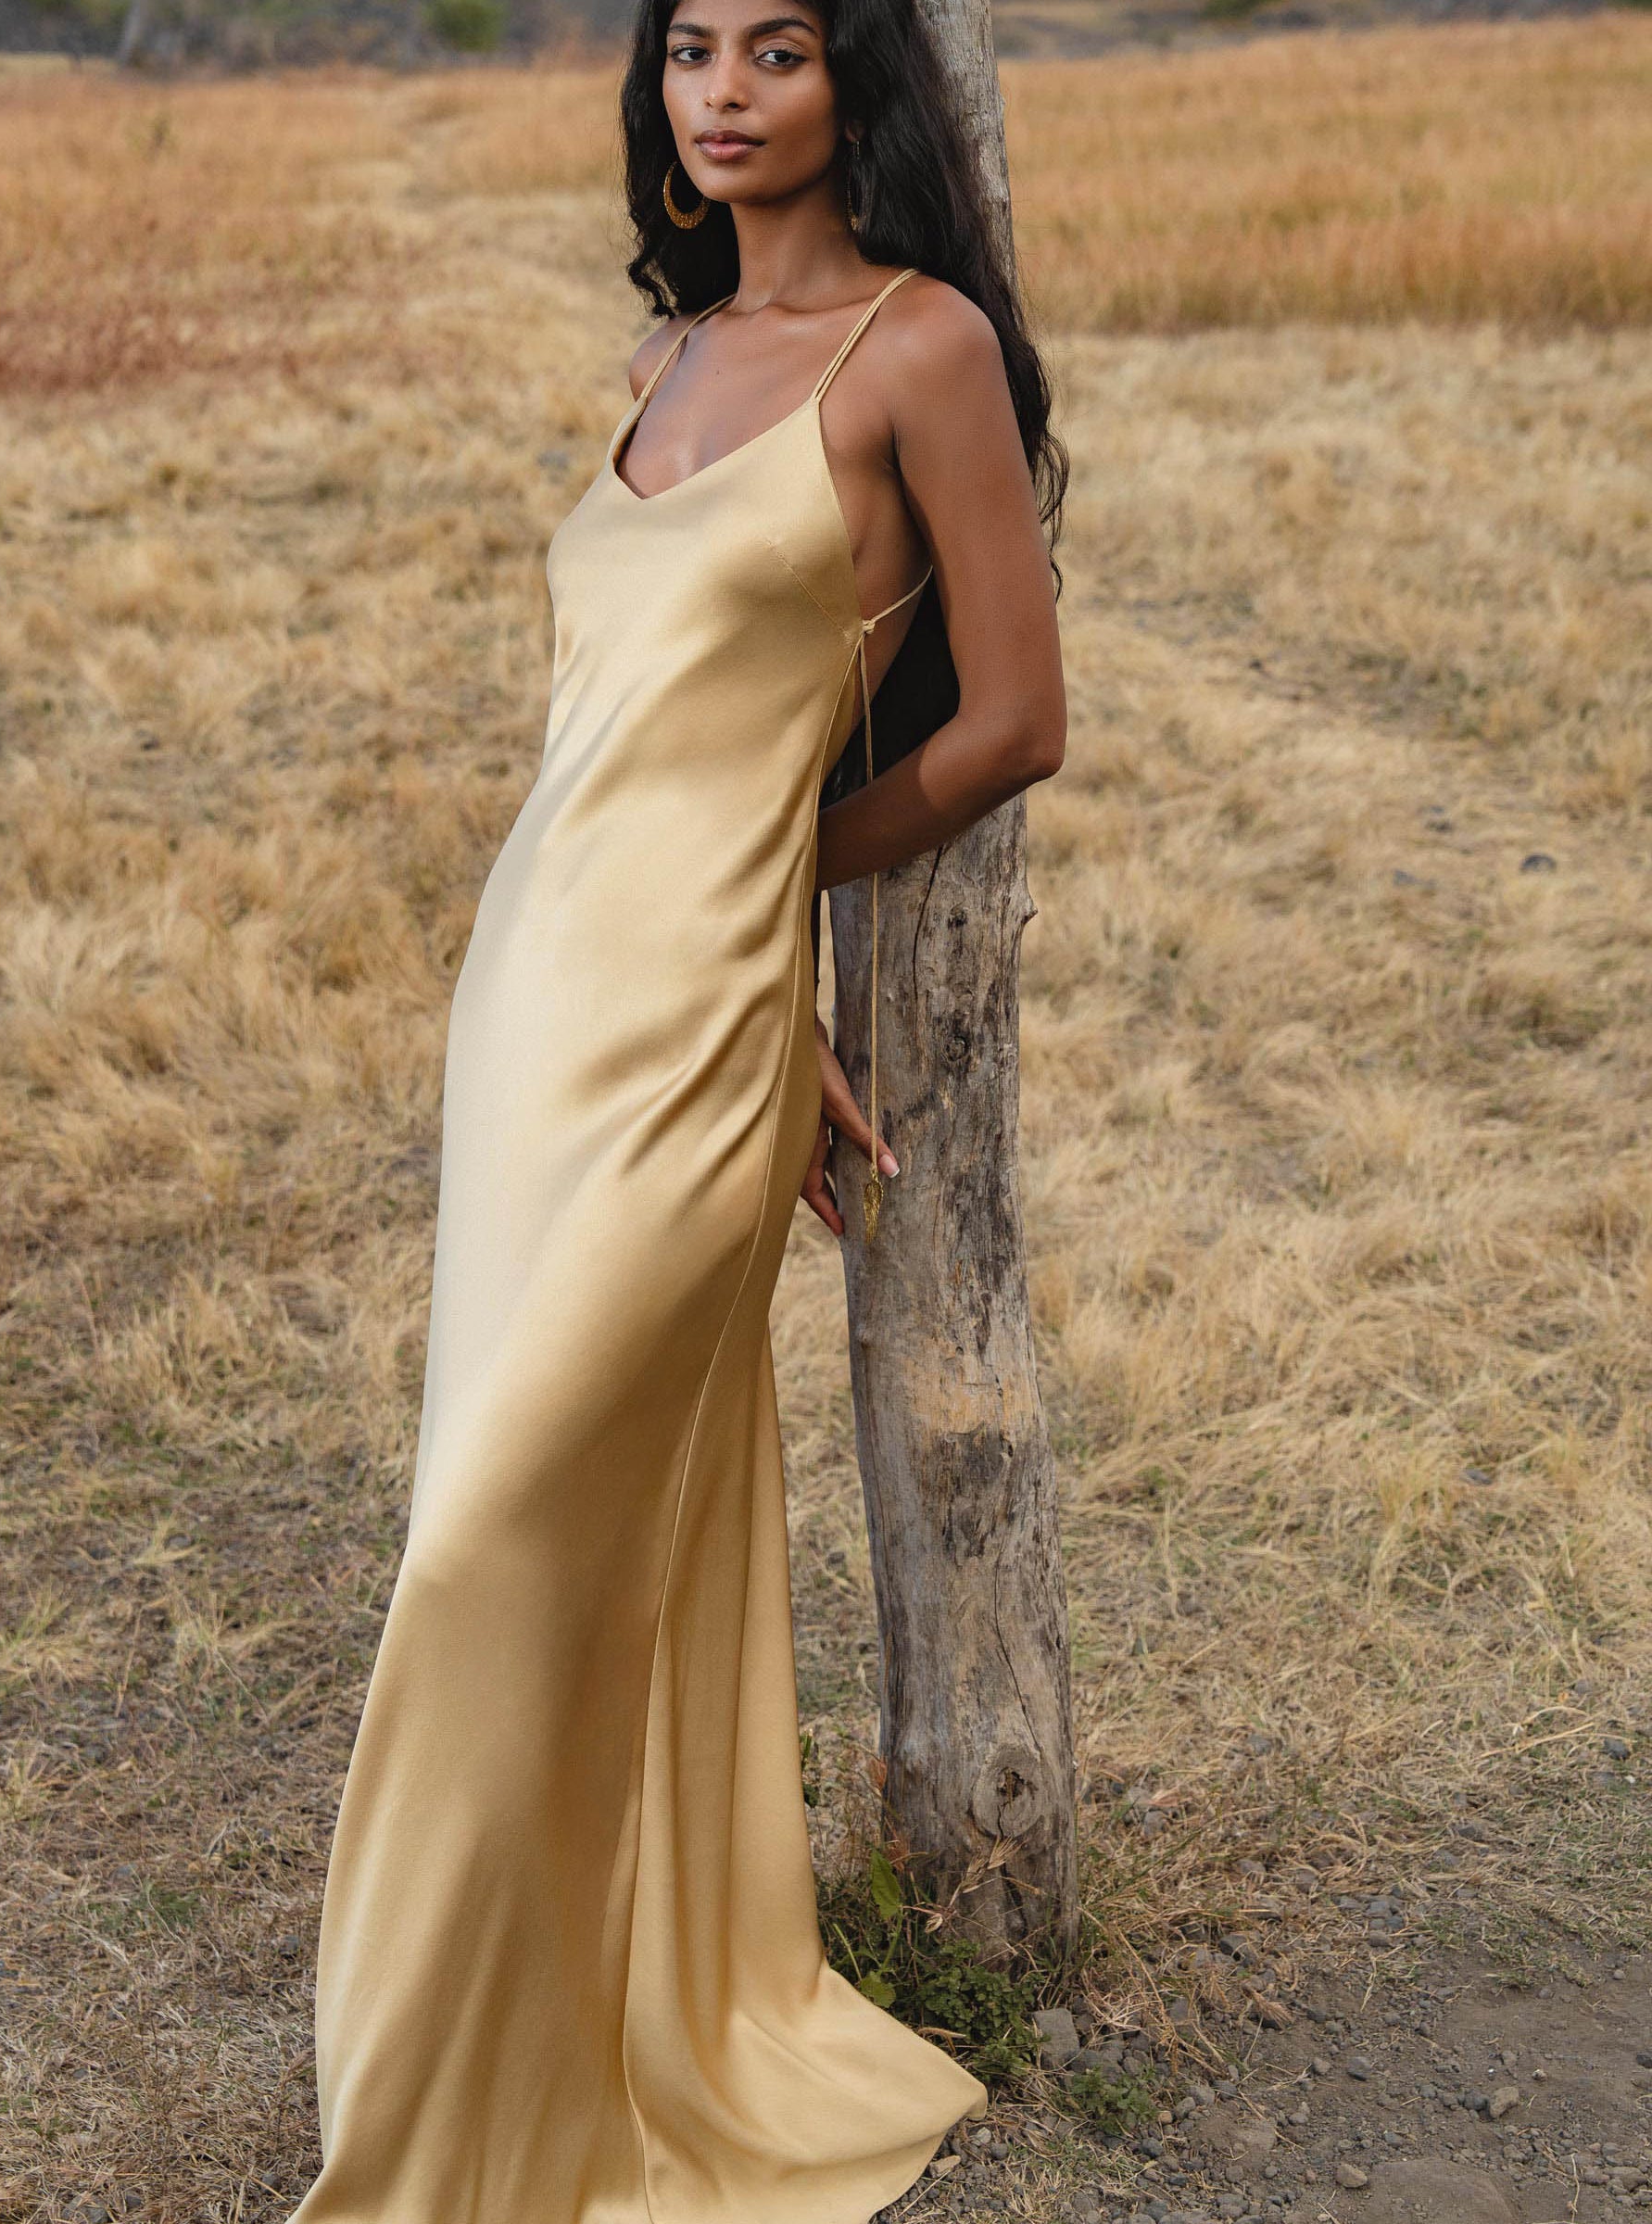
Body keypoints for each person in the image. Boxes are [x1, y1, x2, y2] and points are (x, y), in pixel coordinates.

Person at [284, 0, 1066, 2214]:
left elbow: (1010, 716)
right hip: (526, 1009)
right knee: (519, 1518)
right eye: (690, 49)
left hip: (701, 1020)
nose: (720, 90)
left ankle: (453, 2128)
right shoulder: (652, 374)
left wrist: (770, 903)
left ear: (857, 92)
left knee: (486, 1540)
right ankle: (537, 2055)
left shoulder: (919, 354)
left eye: (779, 48)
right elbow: (603, 757)